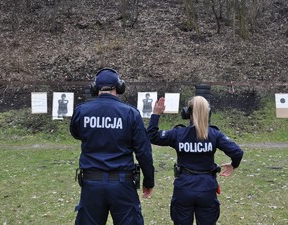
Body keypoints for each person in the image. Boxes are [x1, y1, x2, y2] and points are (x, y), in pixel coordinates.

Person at [70, 68, 155, 225]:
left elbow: (76, 134)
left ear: (95, 88)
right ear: (119, 86)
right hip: (122, 185)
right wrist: (149, 181)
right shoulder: (131, 114)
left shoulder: (82, 111)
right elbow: (143, 152)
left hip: (92, 184)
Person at [147, 96, 244, 225]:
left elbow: (151, 136)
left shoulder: (178, 133)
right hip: (207, 188)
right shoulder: (214, 134)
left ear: (187, 113)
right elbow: (237, 152)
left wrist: (156, 114)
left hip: (184, 187)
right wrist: (233, 165)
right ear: (208, 113)